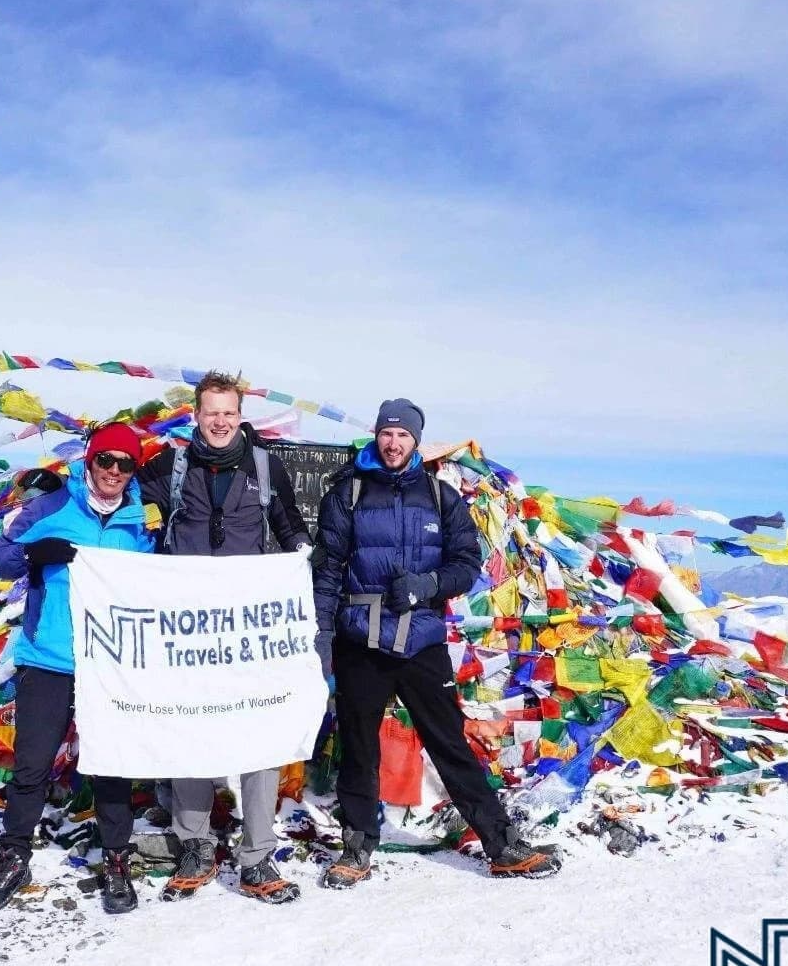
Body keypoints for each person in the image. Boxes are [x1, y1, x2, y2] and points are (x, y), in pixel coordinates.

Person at [312, 398, 561, 887]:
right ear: (377, 436)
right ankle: (357, 847)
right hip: (361, 636)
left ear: (416, 442)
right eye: (387, 433)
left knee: (449, 742)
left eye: (403, 435)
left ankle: (501, 842)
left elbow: (466, 564)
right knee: (359, 748)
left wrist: (428, 586)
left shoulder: (442, 498)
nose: (393, 442)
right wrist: (322, 635)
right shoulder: (348, 492)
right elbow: (327, 569)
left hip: (421, 638)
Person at [137, 370, 313, 904]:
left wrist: (302, 562)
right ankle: (194, 845)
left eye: (229, 413)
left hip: (249, 629)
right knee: (190, 730)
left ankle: (258, 857)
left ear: (241, 416)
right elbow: (119, 505)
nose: (219, 422)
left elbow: (290, 529)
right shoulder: (168, 467)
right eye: (211, 412)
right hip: (187, 629)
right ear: (197, 414)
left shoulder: (265, 466)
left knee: (258, 732)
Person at [0, 421, 156, 915]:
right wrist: (35, 551)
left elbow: (156, 585)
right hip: (48, 655)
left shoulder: (141, 520)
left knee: (110, 763)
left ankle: (116, 856)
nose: (114, 471)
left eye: (125, 463)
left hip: (108, 662)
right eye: (106, 460)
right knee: (32, 763)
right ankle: (13, 854)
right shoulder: (52, 504)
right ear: (91, 460)